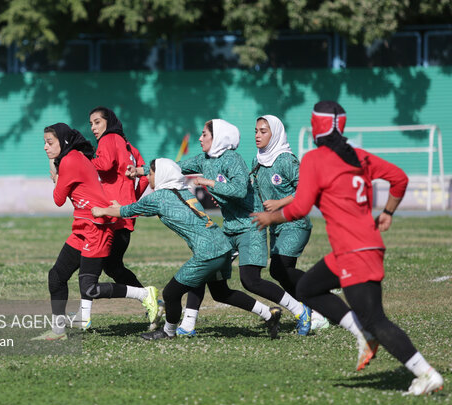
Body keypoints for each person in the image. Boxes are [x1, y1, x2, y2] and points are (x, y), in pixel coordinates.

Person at [251, 101, 444, 395]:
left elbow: (300, 207)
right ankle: (362, 332)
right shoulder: (360, 157)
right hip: (357, 249)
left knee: (376, 320)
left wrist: (270, 217)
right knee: (307, 289)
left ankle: (425, 373)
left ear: (317, 126)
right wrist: (388, 212)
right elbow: (399, 179)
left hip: (355, 254)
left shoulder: (316, 159)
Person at [130, 119, 311, 336]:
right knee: (204, 265)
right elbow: (176, 167)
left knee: (250, 280)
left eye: (205, 134)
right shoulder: (205, 159)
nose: (200, 138)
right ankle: (187, 325)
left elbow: (239, 190)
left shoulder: (232, 159)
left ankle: (300, 311)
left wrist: (209, 183)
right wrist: (140, 171)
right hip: (230, 227)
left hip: (250, 225)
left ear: (219, 138)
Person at [93, 158, 282, 340]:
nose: (148, 178)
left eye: (150, 173)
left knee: (170, 293)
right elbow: (137, 208)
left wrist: (102, 211)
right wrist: (122, 207)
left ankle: (168, 332)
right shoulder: (184, 191)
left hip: (208, 253)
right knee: (221, 293)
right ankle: (268, 314)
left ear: (162, 175)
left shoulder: (160, 197)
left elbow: (127, 212)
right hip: (223, 246)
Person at [32, 122, 159, 340]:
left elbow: (58, 199)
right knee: (56, 276)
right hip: (83, 225)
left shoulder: (70, 160)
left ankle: (144, 293)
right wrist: (58, 173)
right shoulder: (73, 157)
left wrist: (56, 173)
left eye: (49, 142)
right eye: (44, 142)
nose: (45, 147)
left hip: (97, 228)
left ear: (62, 142)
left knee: (89, 288)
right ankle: (58, 331)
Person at [251, 115, 329, 331]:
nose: (257, 135)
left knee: (278, 268)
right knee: (281, 273)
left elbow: (307, 188)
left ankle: (319, 295)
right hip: (276, 226)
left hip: (295, 223)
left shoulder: (287, 160)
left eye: (263, 131)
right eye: (256, 131)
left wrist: (280, 202)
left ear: (275, 133)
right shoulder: (257, 161)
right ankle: (312, 311)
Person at [88, 106, 163, 330]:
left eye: (97, 122)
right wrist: (131, 200)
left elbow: (103, 164)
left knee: (91, 264)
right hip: (123, 214)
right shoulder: (129, 145)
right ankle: (151, 301)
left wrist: (82, 161)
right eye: (91, 124)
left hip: (111, 215)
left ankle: (148, 299)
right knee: (112, 266)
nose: (93, 128)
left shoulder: (109, 139)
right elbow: (142, 176)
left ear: (109, 122)